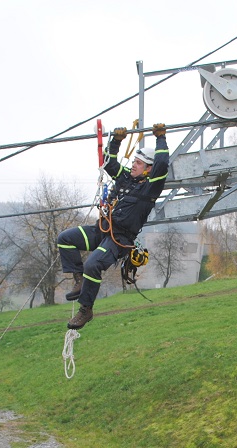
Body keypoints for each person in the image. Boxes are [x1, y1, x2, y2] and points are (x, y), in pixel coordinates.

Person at [57, 122, 169, 329]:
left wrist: (161, 138)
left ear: (148, 169)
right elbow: (109, 162)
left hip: (119, 239)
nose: (133, 164)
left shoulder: (150, 188)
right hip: (102, 230)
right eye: (134, 161)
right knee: (65, 239)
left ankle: (86, 310)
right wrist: (116, 141)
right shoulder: (125, 179)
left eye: (139, 163)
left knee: (93, 264)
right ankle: (79, 279)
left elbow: (162, 165)